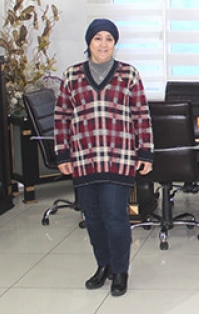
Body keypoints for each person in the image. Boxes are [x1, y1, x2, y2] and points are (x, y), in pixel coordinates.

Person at [54, 18, 154, 297]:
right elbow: (61, 116)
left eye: (109, 39)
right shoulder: (72, 75)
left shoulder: (128, 74)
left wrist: (145, 151)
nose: (103, 44)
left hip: (118, 157)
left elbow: (141, 115)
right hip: (83, 158)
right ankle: (104, 265)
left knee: (115, 215)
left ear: (114, 44)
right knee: (93, 217)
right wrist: (62, 152)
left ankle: (120, 270)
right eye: (98, 38)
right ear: (89, 42)